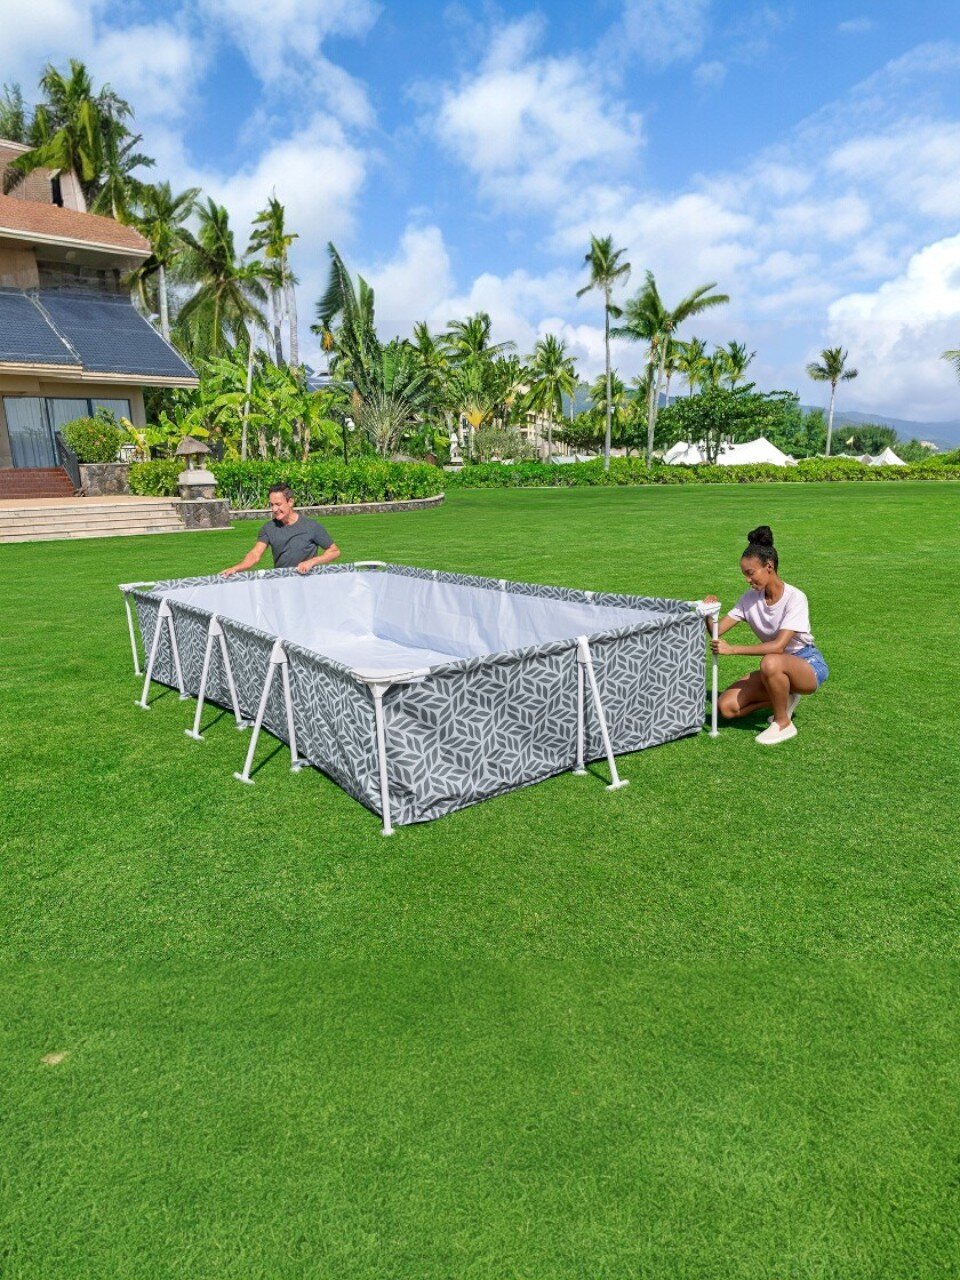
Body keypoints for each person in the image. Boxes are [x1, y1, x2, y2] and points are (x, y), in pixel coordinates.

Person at [703, 524, 828, 745]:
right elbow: (716, 631)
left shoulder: (795, 598)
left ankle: (783, 723)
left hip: (807, 664)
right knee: (726, 708)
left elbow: (779, 646)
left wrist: (732, 649)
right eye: (744, 574)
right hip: (774, 668)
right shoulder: (749, 599)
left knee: (770, 661)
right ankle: (785, 696)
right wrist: (709, 613)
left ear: (768, 566)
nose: (747, 580)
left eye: (750, 573)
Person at [221, 484, 340, 577]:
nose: (274, 509)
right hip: (281, 583)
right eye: (272, 505)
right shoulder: (268, 528)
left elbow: (334, 551)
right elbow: (255, 554)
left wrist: (312, 562)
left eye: (278, 504)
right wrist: (237, 568)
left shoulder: (311, 526)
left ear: (290, 502)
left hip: (308, 583)